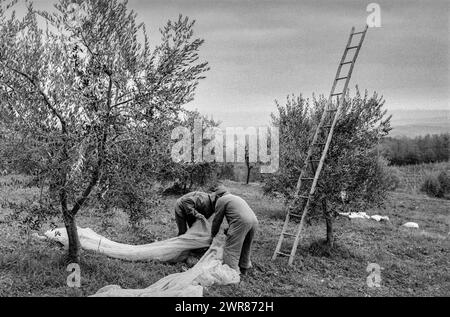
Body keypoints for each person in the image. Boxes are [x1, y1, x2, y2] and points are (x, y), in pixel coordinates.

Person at [210, 193, 258, 274]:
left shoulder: (221, 200)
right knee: (246, 246)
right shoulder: (235, 198)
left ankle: (231, 273)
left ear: (217, 196)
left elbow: (217, 220)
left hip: (242, 222)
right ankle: (244, 268)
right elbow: (237, 215)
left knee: (231, 248)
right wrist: (229, 229)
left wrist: (212, 235)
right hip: (254, 221)